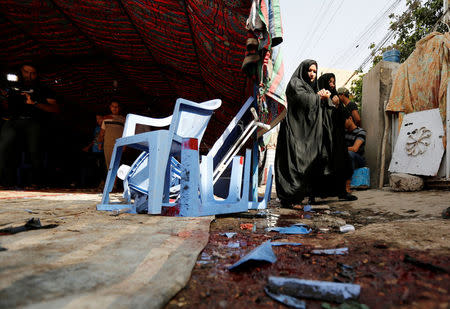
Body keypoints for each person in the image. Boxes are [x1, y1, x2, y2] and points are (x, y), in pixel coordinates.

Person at [275, 60, 355, 209]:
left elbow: (322, 109)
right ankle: (290, 198)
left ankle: (297, 198)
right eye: (309, 70)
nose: (312, 74)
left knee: (306, 166)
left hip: (307, 134)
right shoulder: (295, 83)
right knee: (293, 164)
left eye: (314, 71)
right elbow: (302, 100)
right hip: (294, 132)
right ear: (303, 70)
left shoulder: (311, 88)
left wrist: (325, 99)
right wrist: (319, 98)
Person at [0, 63, 59, 187]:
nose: (29, 76)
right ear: (21, 72)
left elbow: (55, 109)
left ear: (36, 74)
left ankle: (36, 182)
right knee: (4, 147)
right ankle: (5, 182)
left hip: (34, 121)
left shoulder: (43, 89)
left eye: (32, 73)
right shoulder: (11, 87)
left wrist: (35, 103)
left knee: (35, 150)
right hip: (13, 120)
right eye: (26, 72)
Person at [98, 101, 125, 170]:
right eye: (113, 106)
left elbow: (126, 134)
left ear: (119, 108)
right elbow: (102, 132)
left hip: (119, 146)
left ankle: (116, 180)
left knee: (118, 166)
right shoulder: (105, 118)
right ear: (110, 108)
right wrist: (100, 143)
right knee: (109, 166)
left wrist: (125, 146)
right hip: (108, 146)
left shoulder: (123, 119)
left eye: (117, 107)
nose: (115, 108)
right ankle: (111, 180)